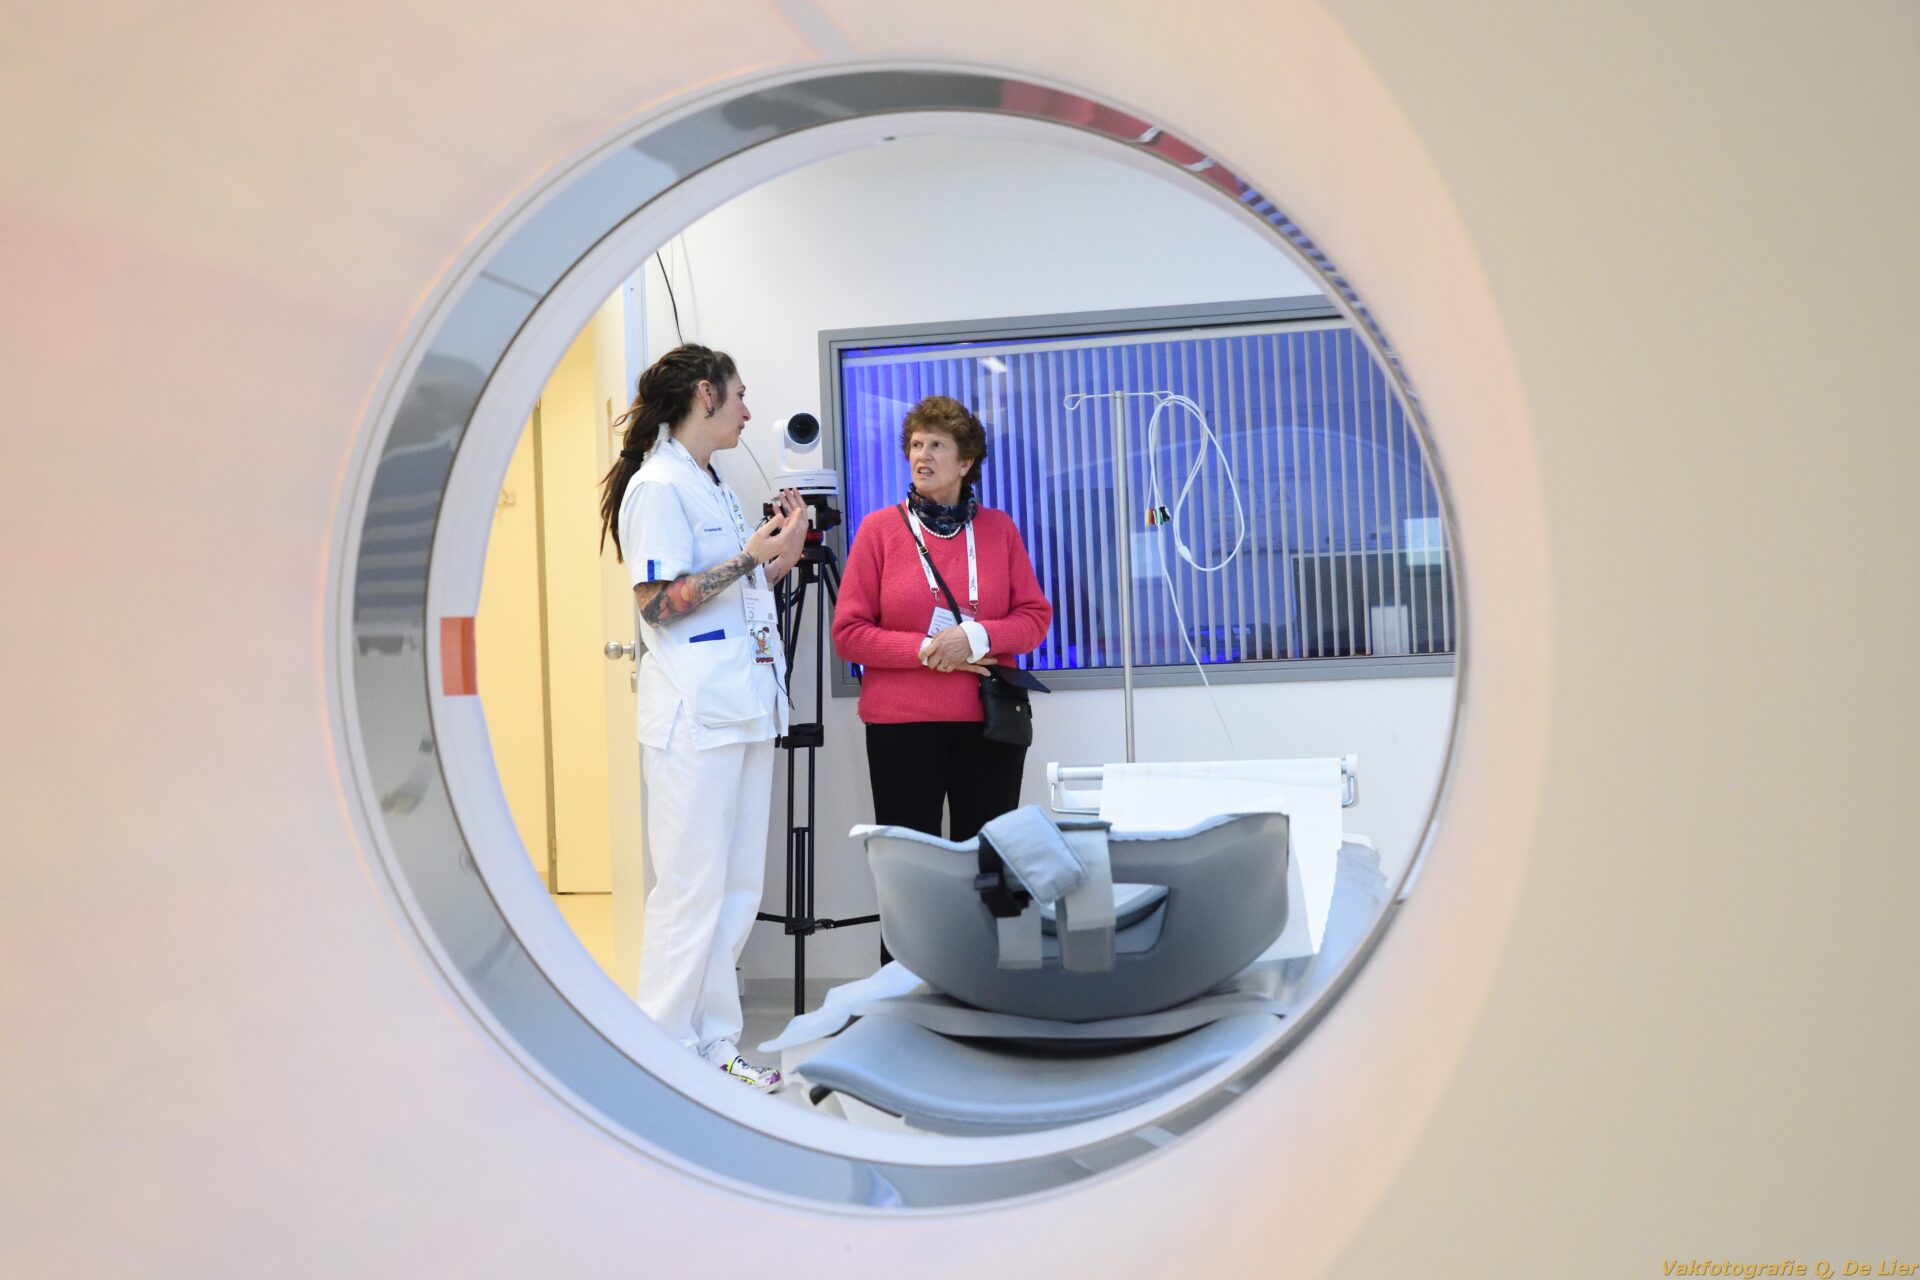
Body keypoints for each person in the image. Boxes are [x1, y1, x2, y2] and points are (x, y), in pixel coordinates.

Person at [597, 343, 810, 1092]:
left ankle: (715, 1041)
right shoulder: (658, 486)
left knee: (736, 890)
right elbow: (658, 605)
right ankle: (659, 1053)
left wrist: (782, 554)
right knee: (689, 892)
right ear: (704, 394)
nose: (748, 410)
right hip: (694, 718)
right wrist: (748, 559)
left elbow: (734, 592)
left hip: (746, 707)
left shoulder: (711, 484)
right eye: (739, 395)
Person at [832, 395, 1053, 853]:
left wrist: (975, 636)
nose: (922, 456)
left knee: (988, 865)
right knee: (911, 866)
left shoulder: (999, 530)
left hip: (990, 724)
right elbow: (849, 634)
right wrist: (926, 649)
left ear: (965, 462)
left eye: (936, 445)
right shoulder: (878, 530)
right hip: (901, 727)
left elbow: (1034, 619)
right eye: (916, 445)